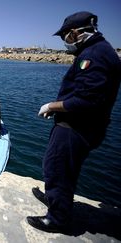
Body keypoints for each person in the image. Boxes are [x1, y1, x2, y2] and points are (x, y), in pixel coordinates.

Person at [27, 11, 121, 233]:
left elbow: (88, 100)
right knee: (56, 165)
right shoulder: (100, 50)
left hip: (77, 127)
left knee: (58, 169)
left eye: (64, 37)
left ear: (75, 33)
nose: (64, 43)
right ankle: (55, 199)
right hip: (75, 124)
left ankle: (58, 219)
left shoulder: (94, 55)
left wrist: (53, 106)